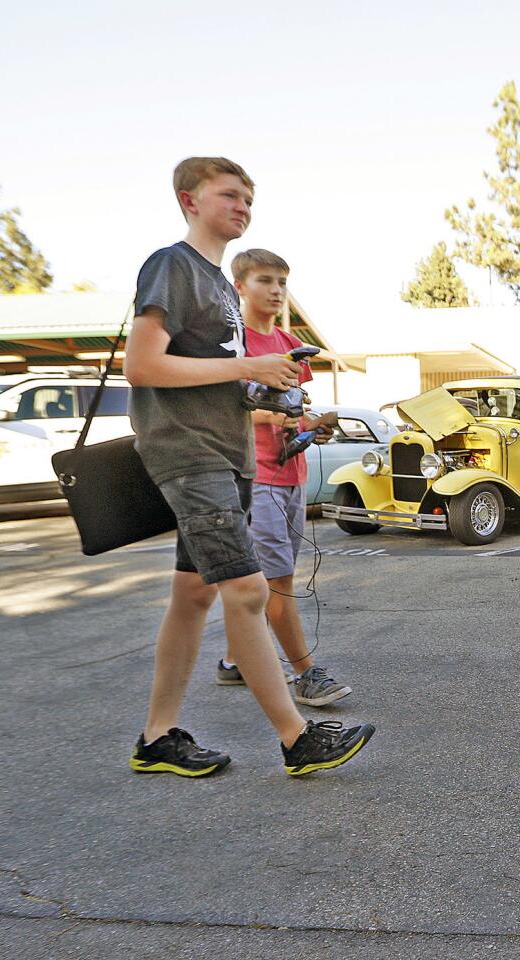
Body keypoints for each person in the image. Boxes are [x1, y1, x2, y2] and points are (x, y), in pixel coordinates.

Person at [123, 157, 374, 777]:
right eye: (229, 195)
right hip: (189, 452)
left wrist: (273, 392)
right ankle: (297, 738)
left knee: (191, 596)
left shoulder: (218, 290)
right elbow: (142, 365)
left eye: (249, 199)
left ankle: (159, 738)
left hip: (227, 452)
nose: (243, 207)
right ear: (189, 199)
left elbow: (215, 379)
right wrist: (246, 369)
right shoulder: (172, 265)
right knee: (248, 589)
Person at [216, 247, 352, 706]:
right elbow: (219, 412)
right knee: (279, 580)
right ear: (239, 286)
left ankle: (236, 659)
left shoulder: (288, 342)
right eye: (264, 281)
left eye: (281, 282)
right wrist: (272, 418)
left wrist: (312, 422)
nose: (275, 291)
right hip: (257, 476)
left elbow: (294, 406)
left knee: (270, 573)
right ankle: (306, 673)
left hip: (293, 471)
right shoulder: (232, 345)